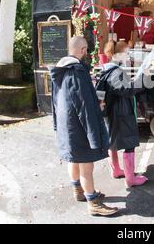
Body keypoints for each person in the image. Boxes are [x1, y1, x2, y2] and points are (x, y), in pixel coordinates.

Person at [49, 36, 118, 216]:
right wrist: (94, 130)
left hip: (67, 124)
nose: (87, 53)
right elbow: (84, 104)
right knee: (86, 166)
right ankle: (93, 202)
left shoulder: (60, 69)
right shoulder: (77, 71)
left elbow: (55, 101)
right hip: (79, 125)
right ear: (82, 50)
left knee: (74, 159)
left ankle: (78, 191)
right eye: (86, 49)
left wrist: (57, 124)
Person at [96, 41, 148, 187]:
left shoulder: (106, 69)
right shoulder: (116, 72)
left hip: (111, 111)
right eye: (126, 52)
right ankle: (131, 179)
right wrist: (142, 76)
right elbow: (127, 90)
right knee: (129, 142)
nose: (128, 55)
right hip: (121, 112)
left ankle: (116, 170)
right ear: (117, 54)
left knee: (112, 141)